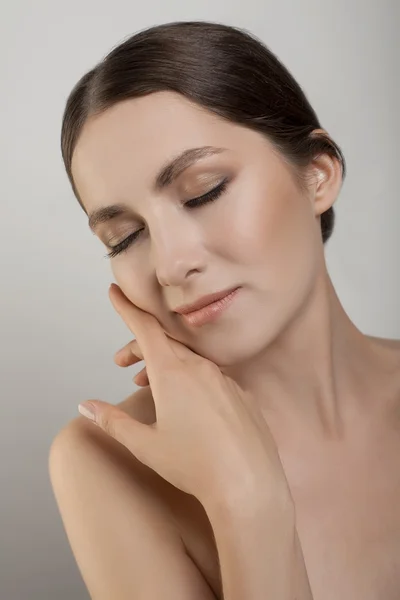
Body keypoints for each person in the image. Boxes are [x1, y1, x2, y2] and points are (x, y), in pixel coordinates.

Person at [49, 20, 400, 600]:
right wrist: (248, 504)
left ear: (317, 175)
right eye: (124, 237)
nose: (170, 264)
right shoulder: (107, 462)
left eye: (203, 191)